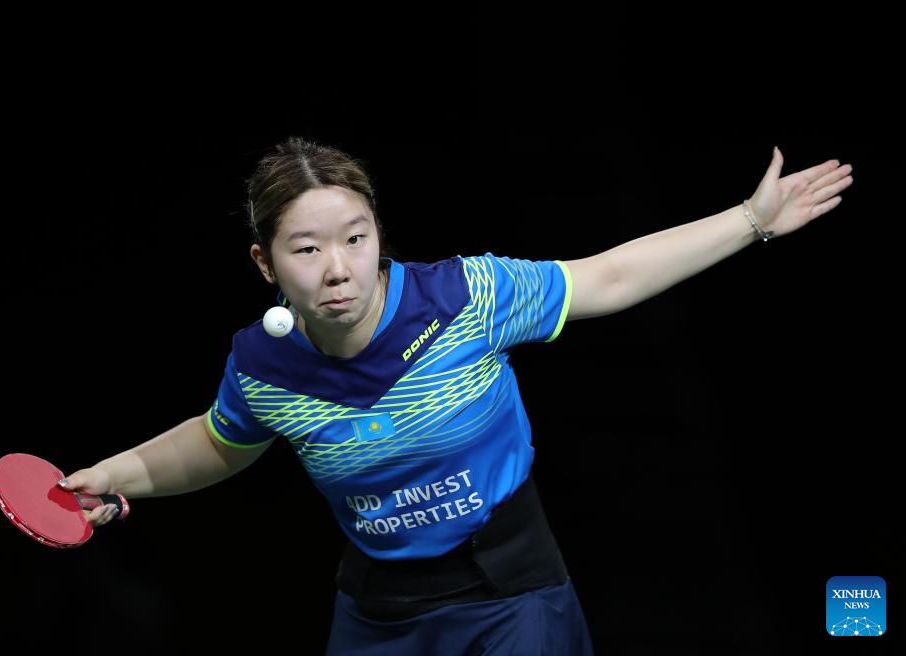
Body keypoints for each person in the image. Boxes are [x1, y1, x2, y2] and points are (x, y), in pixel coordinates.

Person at [58, 136, 853, 654]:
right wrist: (117, 476)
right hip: (377, 614)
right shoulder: (262, 366)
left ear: (377, 237)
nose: (337, 267)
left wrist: (749, 220)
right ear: (266, 265)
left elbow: (605, 276)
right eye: (306, 249)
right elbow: (219, 441)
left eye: (354, 239)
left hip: (510, 598)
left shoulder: (466, 297)